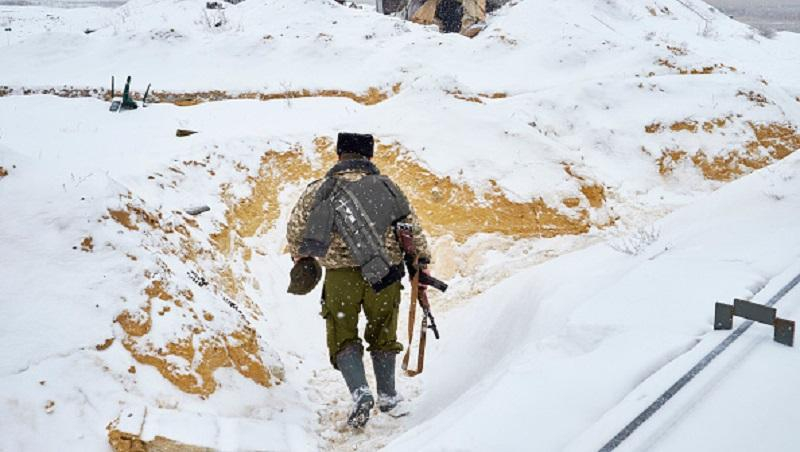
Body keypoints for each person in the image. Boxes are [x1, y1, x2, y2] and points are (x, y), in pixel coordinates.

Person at [286, 133, 432, 428]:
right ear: (369, 156)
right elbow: (412, 230)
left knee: (342, 335)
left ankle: (360, 393)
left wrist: (301, 257)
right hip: (385, 277)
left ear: (340, 154)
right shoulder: (389, 188)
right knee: (383, 332)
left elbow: (296, 232)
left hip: (340, 278)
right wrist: (422, 266)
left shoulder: (320, 190)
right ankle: (389, 396)